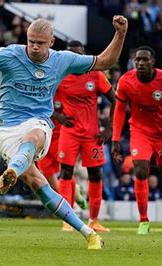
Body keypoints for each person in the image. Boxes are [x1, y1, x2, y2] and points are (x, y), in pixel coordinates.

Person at [0, 16, 129, 249]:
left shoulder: (62, 60)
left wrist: (120, 34)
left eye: (40, 42)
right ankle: (89, 233)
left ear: (51, 41)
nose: (35, 46)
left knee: (35, 134)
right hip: (7, 128)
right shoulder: (10, 55)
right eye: (31, 41)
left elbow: (105, 61)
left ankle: (10, 172)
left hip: (39, 123)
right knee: (39, 184)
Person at [112, 46, 162, 235]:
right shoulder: (126, 81)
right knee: (141, 170)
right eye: (138, 60)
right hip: (139, 131)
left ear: (153, 62)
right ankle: (143, 221)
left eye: (145, 60)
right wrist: (115, 139)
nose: (141, 63)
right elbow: (119, 109)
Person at [54, 40, 116, 233]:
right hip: (69, 133)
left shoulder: (96, 75)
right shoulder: (59, 76)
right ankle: (67, 218)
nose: (76, 58)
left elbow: (116, 100)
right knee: (65, 173)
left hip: (92, 135)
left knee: (96, 174)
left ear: (84, 54)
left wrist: (109, 128)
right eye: (72, 55)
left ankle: (94, 220)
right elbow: (41, 97)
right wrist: (57, 116)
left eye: (79, 54)